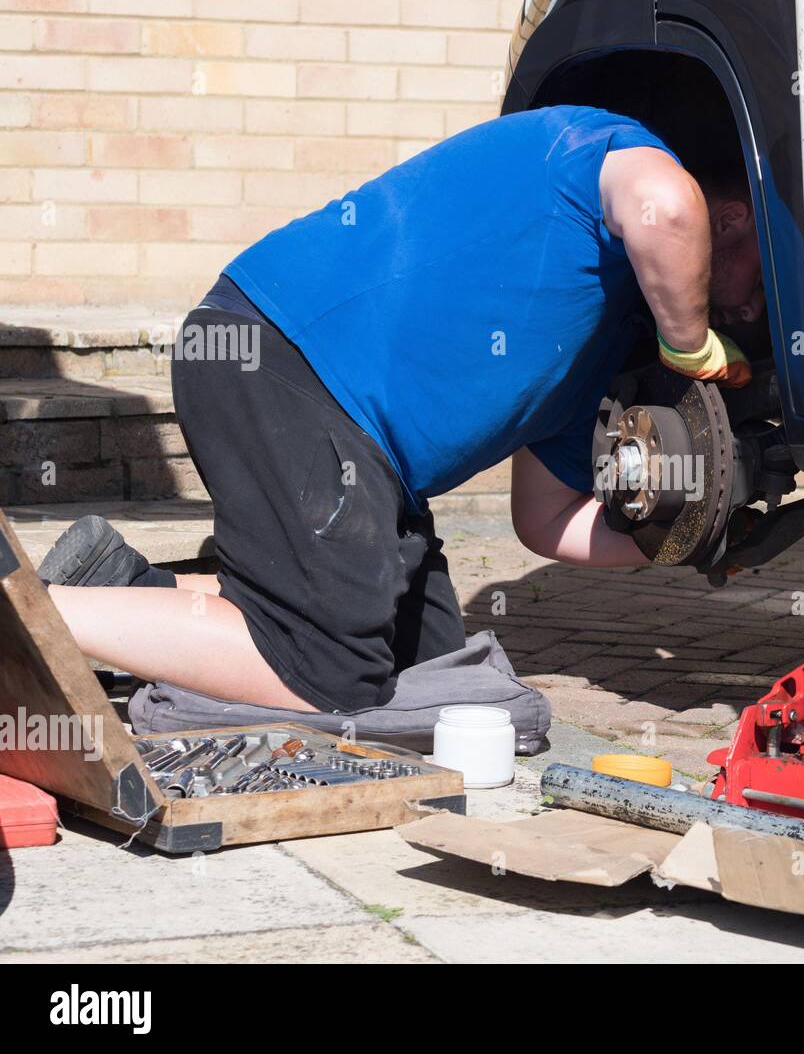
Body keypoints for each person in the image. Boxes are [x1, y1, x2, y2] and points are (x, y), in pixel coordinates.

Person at [40, 105, 766, 716]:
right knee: (328, 670)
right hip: (278, 356)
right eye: (760, 284)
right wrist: (692, 341)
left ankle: (124, 588)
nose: (755, 312)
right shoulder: (604, 150)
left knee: (432, 671)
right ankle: (31, 616)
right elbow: (666, 210)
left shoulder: (607, 350)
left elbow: (543, 521)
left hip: (359, 448)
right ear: (729, 218)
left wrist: (680, 538)